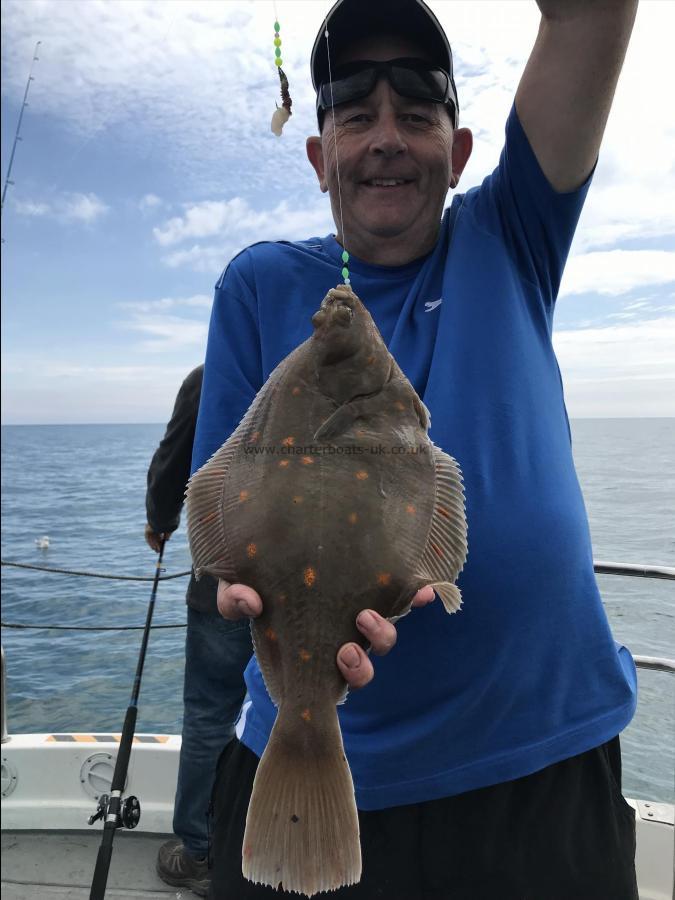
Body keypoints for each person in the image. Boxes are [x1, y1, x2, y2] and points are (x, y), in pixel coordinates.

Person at [192, 0, 640, 897]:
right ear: (320, 160)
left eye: (417, 115)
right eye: (354, 117)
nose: (385, 138)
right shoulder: (258, 282)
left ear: (460, 150)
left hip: (541, 766)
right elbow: (221, 512)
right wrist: (232, 585)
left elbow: (593, 18)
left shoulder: (509, 234)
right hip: (312, 749)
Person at [144, 364, 252, 897]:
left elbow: (174, 456)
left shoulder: (212, 376)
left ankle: (200, 851)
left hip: (223, 575)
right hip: (315, 578)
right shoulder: (336, 371)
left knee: (210, 715)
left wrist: (160, 519)